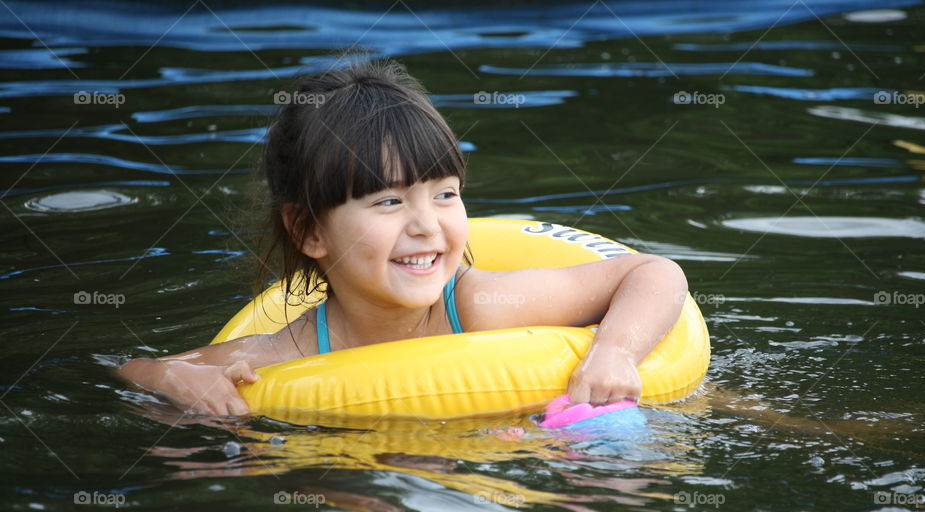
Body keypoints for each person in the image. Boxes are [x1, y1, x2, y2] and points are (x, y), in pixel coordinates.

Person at [117, 58, 688, 417]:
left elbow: (651, 272)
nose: (427, 224)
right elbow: (131, 370)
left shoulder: (477, 304)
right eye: (388, 201)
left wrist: (613, 353)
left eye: (445, 194)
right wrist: (172, 375)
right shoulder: (283, 354)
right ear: (309, 231)